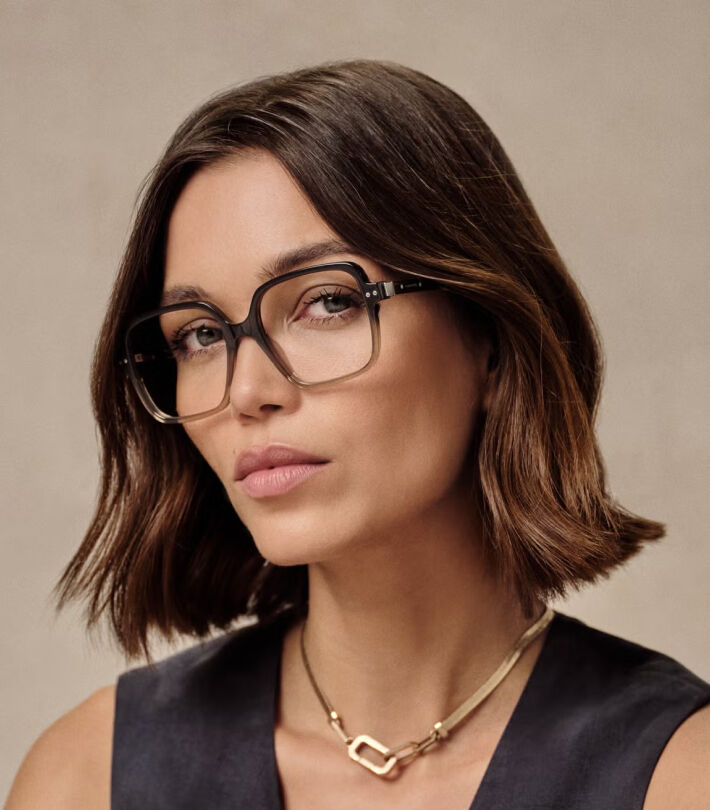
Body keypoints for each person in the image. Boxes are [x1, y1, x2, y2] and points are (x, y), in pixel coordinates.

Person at [6, 59, 710, 810]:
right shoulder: (87, 780)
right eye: (202, 334)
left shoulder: (677, 777)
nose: (247, 391)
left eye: (327, 303)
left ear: (491, 340)